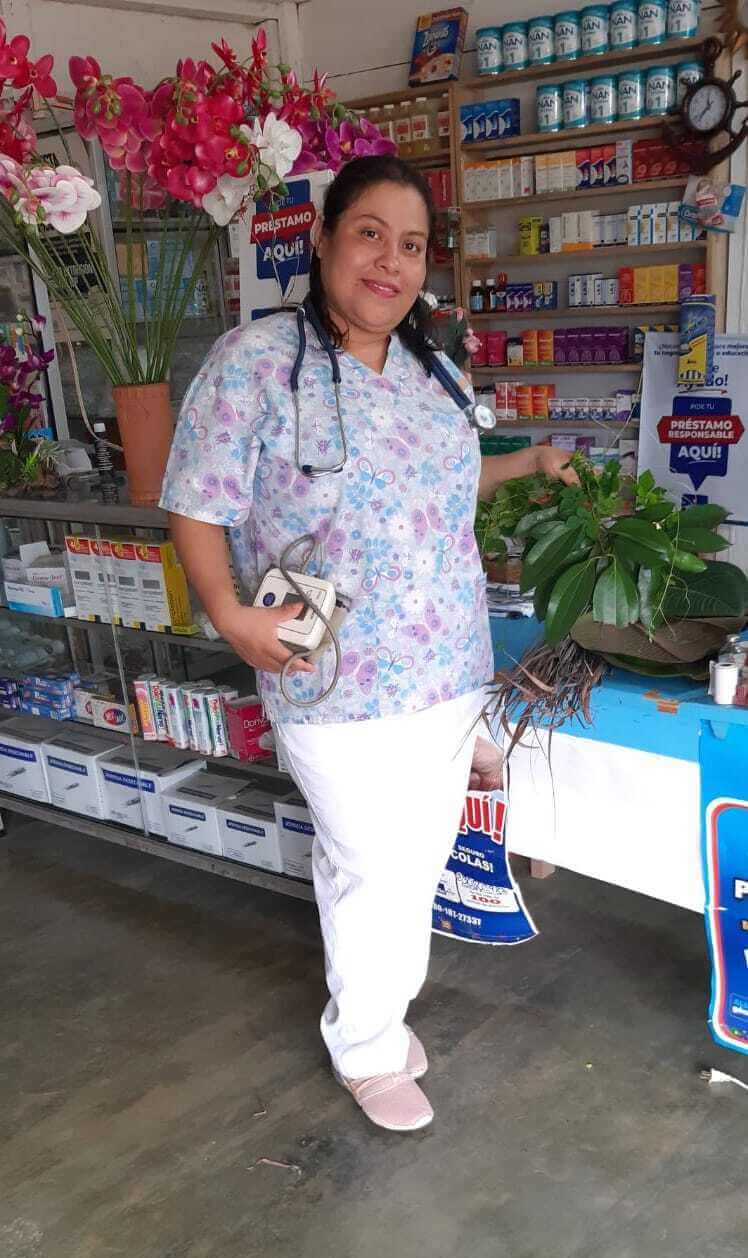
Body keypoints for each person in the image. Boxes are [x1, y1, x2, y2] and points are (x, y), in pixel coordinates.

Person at [161, 155, 575, 1133]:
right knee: (371, 862)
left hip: (446, 657)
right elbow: (196, 497)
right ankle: (365, 1042)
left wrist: (528, 461)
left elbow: (438, 483)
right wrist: (229, 611)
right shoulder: (260, 357)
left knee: (414, 853)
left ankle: (376, 1006)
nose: (389, 261)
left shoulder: (431, 366)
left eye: (411, 244)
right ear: (323, 240)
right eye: (369, 234)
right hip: (325, 642)